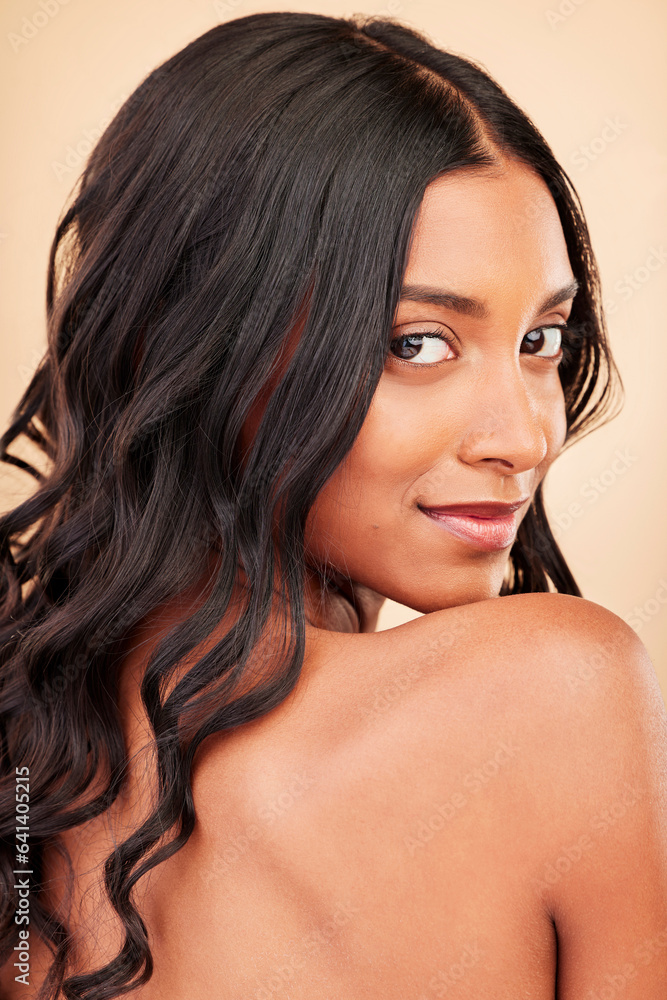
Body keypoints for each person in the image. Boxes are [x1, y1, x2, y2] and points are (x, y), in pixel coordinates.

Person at [1, 11, 665, 999]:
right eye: (418, 343)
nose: (524, 436)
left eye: (544, 340)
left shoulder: (28, 770)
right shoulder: (558, 693)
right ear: (195, 342)